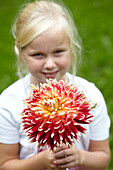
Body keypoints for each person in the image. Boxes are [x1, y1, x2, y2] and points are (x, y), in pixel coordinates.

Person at [0, 0, 110, 169]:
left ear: (71, 48)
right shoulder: (8, 102)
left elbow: (103, 158)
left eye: (58, 52)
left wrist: (80, 157)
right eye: (38, 55)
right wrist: (41, 161)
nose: (50, 64)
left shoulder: (90, 97)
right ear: (20, 52)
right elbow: (5, 164)